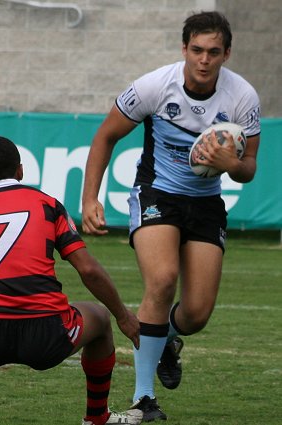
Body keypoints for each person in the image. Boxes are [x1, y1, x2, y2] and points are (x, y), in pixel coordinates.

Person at [82, 11, 261, 422]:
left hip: (206, 201)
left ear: (226, 54)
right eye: (196, 50)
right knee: (161, 281)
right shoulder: (154, 86)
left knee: (196, 314)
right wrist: (90, 197)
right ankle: (144, 400)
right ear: (184, 49)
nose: (204, 59)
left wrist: (231, 164)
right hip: (157, 192)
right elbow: (105, 135)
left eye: (214, 52)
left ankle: (166, 342)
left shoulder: (242, 97)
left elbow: (249, 167)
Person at [0, 136, 143, 425]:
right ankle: (97, 418)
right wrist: (122, 315)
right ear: (20, 171)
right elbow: (89, 271)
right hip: (46, 334)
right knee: (101, 318)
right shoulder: (46, 204)